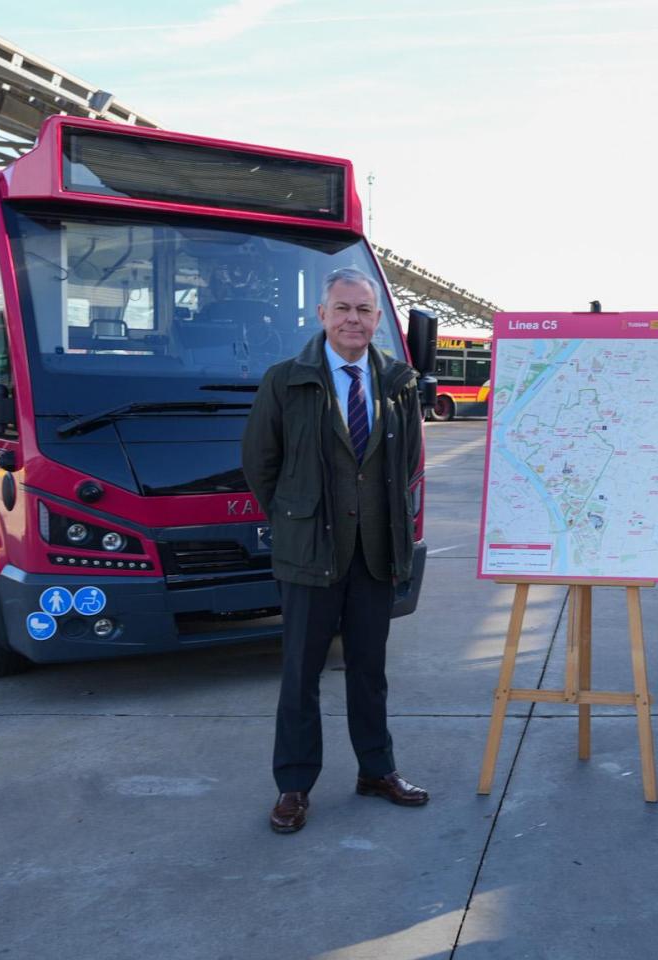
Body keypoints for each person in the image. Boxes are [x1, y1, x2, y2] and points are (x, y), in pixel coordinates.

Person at [242, 266, 429, 834]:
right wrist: (297, 518)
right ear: (322, 316)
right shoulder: (286, 381)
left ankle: (377, 770)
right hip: (310, 554)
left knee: (369, 671)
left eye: (364, 310)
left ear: (377, 319)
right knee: (301, 673)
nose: (354, 319)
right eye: (343, 309)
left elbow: (410, 462)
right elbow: (260, 464)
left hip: (375, 553)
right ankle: (293, 786)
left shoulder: (398, 381)